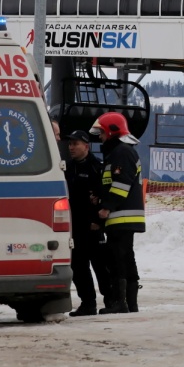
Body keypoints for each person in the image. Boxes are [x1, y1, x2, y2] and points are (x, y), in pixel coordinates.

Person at [90, 112, 145, 314]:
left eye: (102, 133)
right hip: (121, 215)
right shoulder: (118, 152)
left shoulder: (122, 151)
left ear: (112, 131)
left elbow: (122, 184)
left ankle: (121, 303)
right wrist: (100, 198)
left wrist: (107, 206)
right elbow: (111, 183)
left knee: (118, 258)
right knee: (124, 257)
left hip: (123, 215)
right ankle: (129, 303)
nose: (100, 137)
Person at [64, 130, 112, 317]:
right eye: (70, 144)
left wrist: (98, 222)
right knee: (78, 266)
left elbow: (104, 196)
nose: (71, 147)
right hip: (74, 227)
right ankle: (88, 303)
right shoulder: (67, 168)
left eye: (75, 144)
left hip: (92, 226)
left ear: (86, 146)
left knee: (100, 266)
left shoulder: (96, 167)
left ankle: (111, 300)